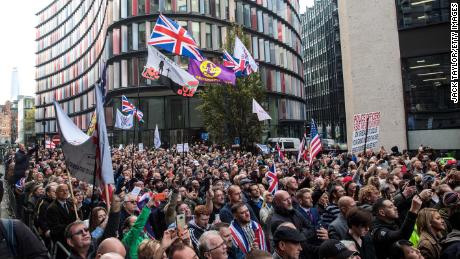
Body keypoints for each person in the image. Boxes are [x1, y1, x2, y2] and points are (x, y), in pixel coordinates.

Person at [65, 194, 121, 259]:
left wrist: (116, 201)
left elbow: (113, 225)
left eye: (86, 230)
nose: (84, 233)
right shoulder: (95, 234)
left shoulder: (96, 245)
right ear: (70, 242)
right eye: (79, 232)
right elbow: (95, 235)